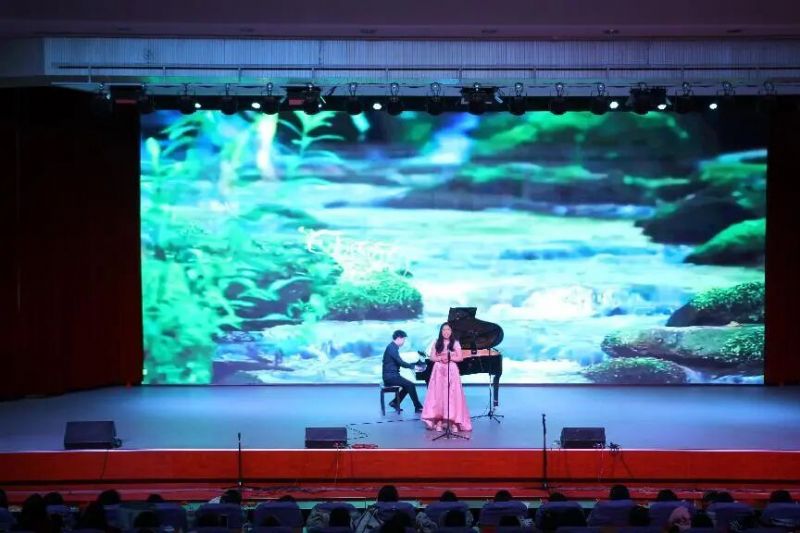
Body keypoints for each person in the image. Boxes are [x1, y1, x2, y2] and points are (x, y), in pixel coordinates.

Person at [421, 322, 472, 432]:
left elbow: (460, 358)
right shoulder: (437, 342)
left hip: (451, 370)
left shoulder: (455, 343)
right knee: (438, 396)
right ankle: (439, 421)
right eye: (444, 330)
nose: (446, 332)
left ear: (451, 331)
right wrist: (440, 359)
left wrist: (450, 358)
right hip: (438, 370)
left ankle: (452, 422)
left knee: (452, 396)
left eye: (448, 329)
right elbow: (432, 357)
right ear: (441, 331)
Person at [382, 330, 423, 413]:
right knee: (410, 385)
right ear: (399, 338)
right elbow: (400, 362)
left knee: (408, 385)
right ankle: (418, 407)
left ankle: (395, 403)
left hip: (392, 375)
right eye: (403, 339)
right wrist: (413, 367)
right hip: (390, 377)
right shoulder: (392, 348)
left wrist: (412, 365)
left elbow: (399, 362)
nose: (404, 341)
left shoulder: (392, 347)